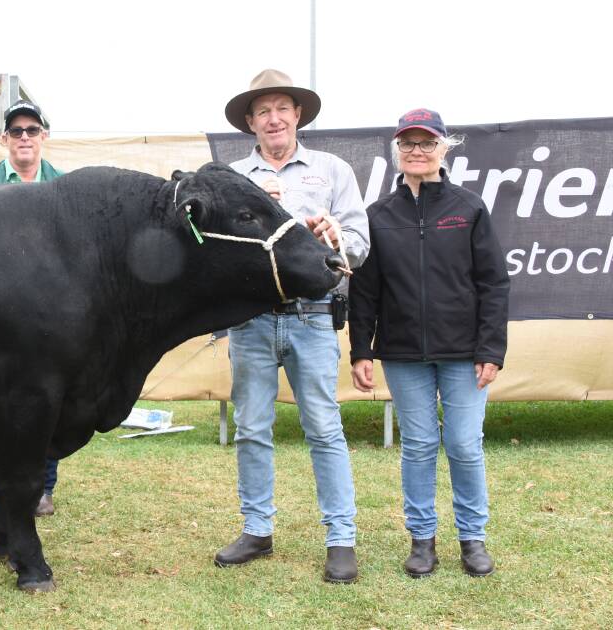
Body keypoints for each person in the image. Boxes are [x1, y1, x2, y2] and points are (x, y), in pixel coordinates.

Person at [215, 69, 369, 583]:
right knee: (252, 429)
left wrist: (333, 241)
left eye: (282, 108)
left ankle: (340, 539)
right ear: (250, 123)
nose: (274, 118)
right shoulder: (234, 176)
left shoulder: (332, 169)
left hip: (313, 316)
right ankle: (257, 530)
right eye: (263, 111)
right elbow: (213, 254)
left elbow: (360, 243)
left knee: (324, 429)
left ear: (298, 115)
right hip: (252, 320)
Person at [349, 108, 509, 578]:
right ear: (396, 152)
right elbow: (365, 290)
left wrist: (491, 350)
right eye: (407, 144)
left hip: (464, 354)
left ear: (444, 147)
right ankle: (422, 541)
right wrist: (362, 349)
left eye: (426, 143)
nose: (416, 152)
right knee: (418, 446)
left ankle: (472, 539)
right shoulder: (376, 215)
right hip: (402, 355)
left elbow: (493, 284)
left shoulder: (469, 208)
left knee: (464, 445)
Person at [0, 99, 63, 517]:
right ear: (4, 138)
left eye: (31, 130)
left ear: (44, 135)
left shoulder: (66, 189)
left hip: (52, 318)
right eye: (16, 131)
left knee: (49, 402)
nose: (24, 138)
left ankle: (43, 487)